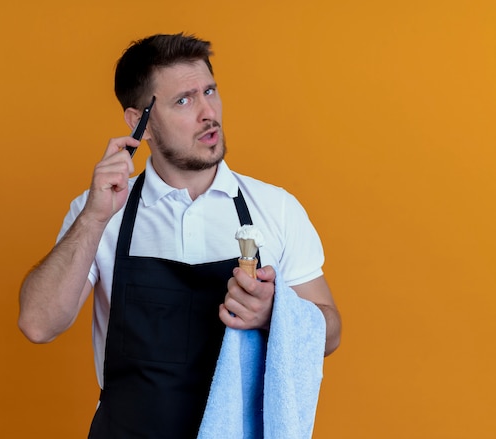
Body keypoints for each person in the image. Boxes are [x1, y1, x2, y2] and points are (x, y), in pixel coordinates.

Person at [18, 33, 341, 438]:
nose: (209, 113)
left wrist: (273, 314)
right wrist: (93, 218)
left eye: (210, 91)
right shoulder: (100, 212)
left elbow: (329, 332)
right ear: (141, 123)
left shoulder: (274, 208)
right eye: (184, 101)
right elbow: (38, 324)